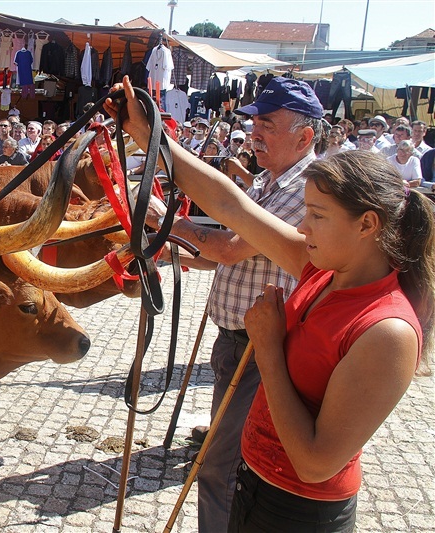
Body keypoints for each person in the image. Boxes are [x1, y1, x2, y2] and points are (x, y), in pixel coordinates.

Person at [108, 74, 433, 533]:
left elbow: (316, 464)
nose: (305, 228)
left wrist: (268, 345)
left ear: (367, 225)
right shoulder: (318, 269)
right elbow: (230, 205)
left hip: (298, 512)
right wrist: (148, 132)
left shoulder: (388, 330)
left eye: (316, 216)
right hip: (256, 486)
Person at [144, 76, 324, 532]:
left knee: (219, 468)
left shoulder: (307, 192)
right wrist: (163, 247)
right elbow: (221, 261)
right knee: (228, 460)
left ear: (305, 136)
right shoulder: (267, 181)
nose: (254, 133)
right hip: (235, 346)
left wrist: (164, 219)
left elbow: (227, 248)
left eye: (267, 123)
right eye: (254, 122)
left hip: (260, 351)